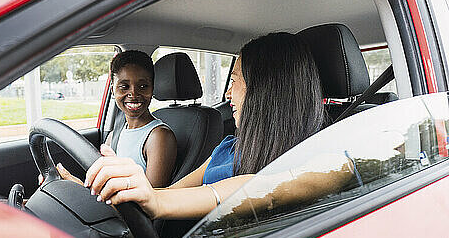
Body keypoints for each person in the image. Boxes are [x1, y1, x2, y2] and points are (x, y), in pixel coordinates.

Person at [58, 32, 354, 219]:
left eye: (235, 80)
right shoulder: (227, 148)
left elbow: (262, 187)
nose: (227, 94)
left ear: (265, 88)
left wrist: (157, 204)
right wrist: (95, 192)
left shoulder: (328, 160)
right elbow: (168, 193)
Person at [104, 50, 177, 188]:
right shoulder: (114, 135)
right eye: (124, 86)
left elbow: (153, 198)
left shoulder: (159, 136)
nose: (133, 93)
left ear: (153, 88)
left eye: (143, 86)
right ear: (113, 90)